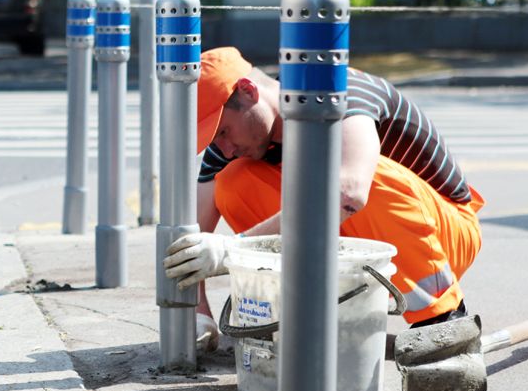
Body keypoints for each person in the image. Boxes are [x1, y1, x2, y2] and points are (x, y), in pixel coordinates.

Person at [163, 46, 484, 348]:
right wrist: (198, 313)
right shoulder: (234, 147)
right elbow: (192, 238)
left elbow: (350, 195)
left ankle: (442, 318)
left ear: (248, 91)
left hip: (445, 234)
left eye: (223, 132)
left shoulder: (337, 92)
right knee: (232, 183)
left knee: (353, 179)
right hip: (366, 240)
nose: (225, 148)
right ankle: (314, 312)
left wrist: (234, 248)